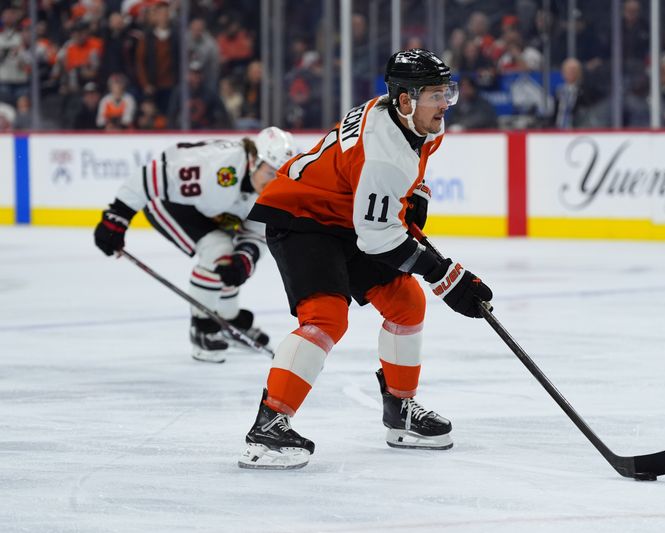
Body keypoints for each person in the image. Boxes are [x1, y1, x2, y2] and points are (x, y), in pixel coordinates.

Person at [238, 49, 493, 470]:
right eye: (436, 93)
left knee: (406, 303)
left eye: (448, 90)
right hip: (303, 216)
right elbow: (378, 238)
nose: (445, 102)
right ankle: (268, 427)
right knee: (325, 317)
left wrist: (416, 198)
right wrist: (447, 277)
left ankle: (400, 410)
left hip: (348, 216)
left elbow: (409, 173)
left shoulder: (413, 119)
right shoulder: (382, 152)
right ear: (406, 99)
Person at [93, 128, 297, 363]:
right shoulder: (217, 167)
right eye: (270, 172)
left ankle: (228, 319)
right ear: (253, 160)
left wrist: (245, 258)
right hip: (170, 203)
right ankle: (201, 328)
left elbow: (257, 231)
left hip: (210, 211)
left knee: (232, 261)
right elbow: (150, 176)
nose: (274, 181)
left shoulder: (271, 186)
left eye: (279, 175)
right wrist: (117, 218)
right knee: (217, 249)